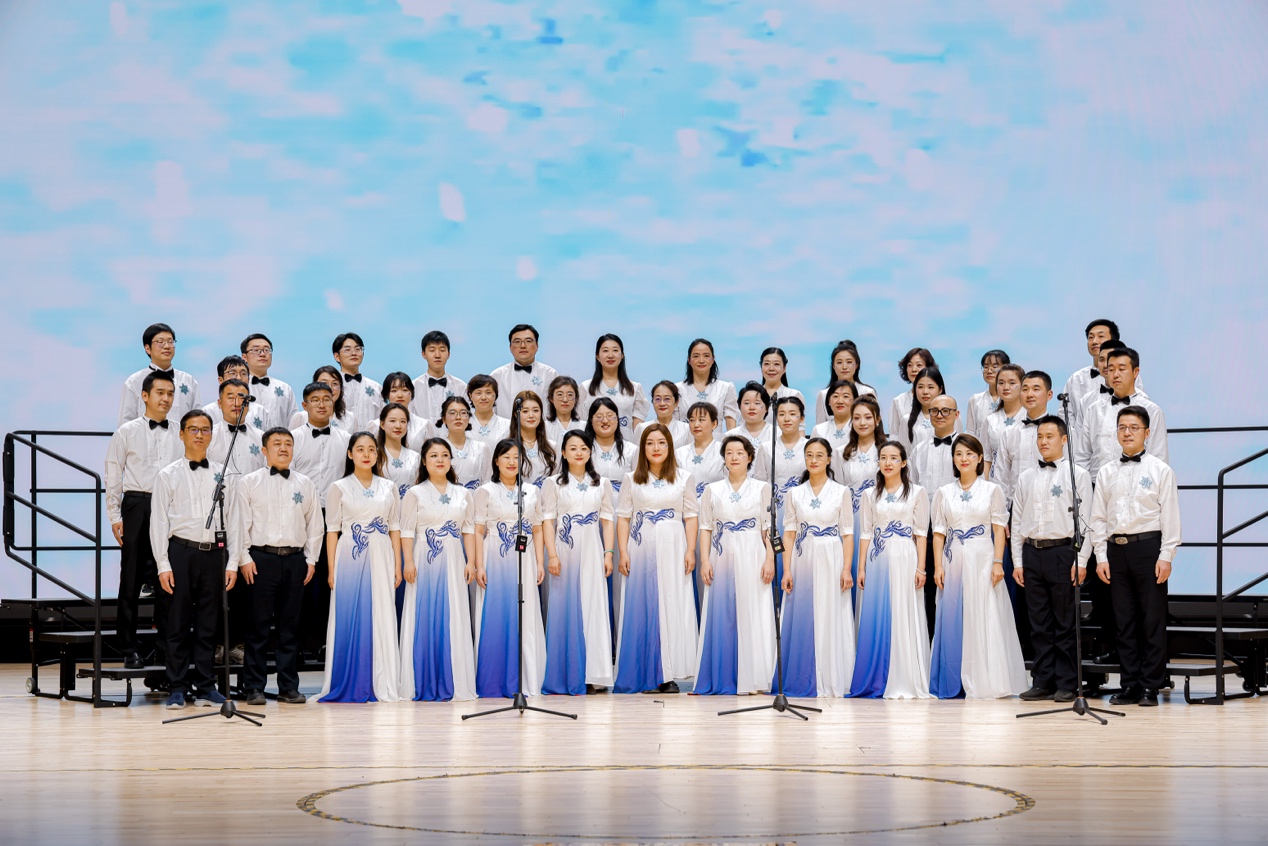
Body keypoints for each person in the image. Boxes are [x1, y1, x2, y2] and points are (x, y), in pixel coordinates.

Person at [1090, 406, 1181, 707]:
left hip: (1148, 548)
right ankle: (1129, 684)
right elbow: (1098, 517)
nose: (1127, 433)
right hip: (1115, 550)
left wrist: (1166, 555)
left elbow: (1170, 516)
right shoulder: (1106, 472)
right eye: (1122, 427)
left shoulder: (1160, 470)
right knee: (1123, 620)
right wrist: (1100, 556)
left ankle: (1151, 686)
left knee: (1151, 620)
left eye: (1133, 427)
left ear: (1147, 432)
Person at [151, 410, 238, 710]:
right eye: (193, 429)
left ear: (212, 435)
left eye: (205, 429)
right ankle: (177, 686)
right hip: (181, 552)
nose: (199, 435)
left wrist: (232, 562)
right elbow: (158, 523)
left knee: (208, 623)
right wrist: (163, 564)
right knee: (176, 622)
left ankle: (205, 686)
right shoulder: (167, 475)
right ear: (182, 434)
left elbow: (234, 519)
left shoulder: (224, 474)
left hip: (214, 554)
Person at [930, 435, 1027, 699]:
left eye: (970, 454)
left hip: (983, 557)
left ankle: (986, 678)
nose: (964, 459)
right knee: (953, 615)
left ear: (980, 458)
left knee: (983, 612)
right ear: (953, 459)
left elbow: (999, 529)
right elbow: (938, 533)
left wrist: (998, 562)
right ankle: (953, 678)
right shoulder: (943, 492)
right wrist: (938, 566)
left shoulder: (992, 490)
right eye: (959, 454)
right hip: (953, 558)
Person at [232, 428, 323, 706]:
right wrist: (244, 558)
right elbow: (239, 523)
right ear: (264, 450)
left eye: (288, 444)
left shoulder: (305, 483)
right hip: (261, 560)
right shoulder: (249, 482)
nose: (283, 448)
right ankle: (254, 687)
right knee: (258, 627)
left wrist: (311, 559)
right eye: (277, 444)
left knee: (290, 627)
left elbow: (315, 524)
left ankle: (288, 686)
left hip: (295, 560)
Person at [104, 371, 183, 669]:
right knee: (132, 578)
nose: (166, 398)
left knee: (168, 577)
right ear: (145, 396)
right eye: (160, 392)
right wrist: (114, 515)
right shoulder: (127, 431)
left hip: (171, 506)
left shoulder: (180, 432)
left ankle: (165, 646)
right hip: (137, 504)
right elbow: (113, 472)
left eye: (170, 393)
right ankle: (128, 647)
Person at [1011, 416, 1092, 703]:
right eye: (1040, 437)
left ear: (1064, 439)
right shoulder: (1026, 477)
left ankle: (1067, 682)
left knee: (1065, 620)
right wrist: (1018, 561)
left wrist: (1082, 560)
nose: (1043, 442)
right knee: (1039, 622)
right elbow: (1017, 521)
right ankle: (1042, 680)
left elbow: (1087, 522)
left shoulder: (1077, 475)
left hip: (1063, 552)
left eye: (1049, 436)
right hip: (1032, 552)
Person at [614, 424, 699, 694]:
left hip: (673, 546)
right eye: (650, 443)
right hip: (641, 546)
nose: (656, 448)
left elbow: (691, 517)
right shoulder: (632, 479)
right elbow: (623, 518)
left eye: (661, 442)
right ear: (643, 448)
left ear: (670, 446)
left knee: (671, 603)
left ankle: (669, 674)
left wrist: (690, 550)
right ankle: (643, 672)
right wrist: (623, 551)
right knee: (643, 605)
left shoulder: (684, 477)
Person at [319, 432, 403, 703]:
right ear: (350, 454)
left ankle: (383, 680)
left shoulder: (389, 487)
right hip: (350, 555)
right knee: (350, 613)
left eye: (371, 449)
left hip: (382, 552)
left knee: (382, 612)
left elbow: (395, 527)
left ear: (378, 454)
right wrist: (331, 569)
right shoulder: (339, 487)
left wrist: (398, 564)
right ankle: (349, 679)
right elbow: (332, 531)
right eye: (360, 449)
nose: (366, 454)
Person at [695, 436, 776, 695]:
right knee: (723, 614)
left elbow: (769, 528)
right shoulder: (712, 490)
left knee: (754, 613)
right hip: (721, 555)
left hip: (753, 554)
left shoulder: (762, 488)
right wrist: (705, 560)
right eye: (729, 452)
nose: (734, 457)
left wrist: (770, 558)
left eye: (740, 452)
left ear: (750, 457)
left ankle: (755, 678)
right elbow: (705, 527)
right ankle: (724, 675)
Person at [399, 438, 478, 702]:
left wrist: (471, 561)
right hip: (424, 558)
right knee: (424, 614)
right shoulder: (415, 493)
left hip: (454, 558)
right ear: (424, 461)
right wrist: (408, 561)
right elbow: (406, 531)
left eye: (445, 455)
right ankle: (422, 679)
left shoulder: (463, 493)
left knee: (453, 614)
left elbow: (468, 530)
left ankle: (453, 680)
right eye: (434, 455)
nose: (440, 460)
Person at [850, 442, 931, 699]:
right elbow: (865, 533)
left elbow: (921, 534)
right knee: (878, 613)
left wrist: (921, 568)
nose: (888, 462)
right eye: (883, 457)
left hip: (906, 556)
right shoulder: (869, 494)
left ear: (904, 463)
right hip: (877, 557)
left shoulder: (917, 492)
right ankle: (877, 676)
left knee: (904, 611)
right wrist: (861, 567)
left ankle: (906, 676)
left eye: (894, 458)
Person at [540, 431, 616, 694]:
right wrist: (552, 554)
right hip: (565, 549)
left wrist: (608, 553)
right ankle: (568, 674)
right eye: (572, 448)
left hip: (593, 550)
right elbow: (548, 521)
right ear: (563, 453)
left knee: (594, 607)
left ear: (590, 452)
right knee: (565, 608)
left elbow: (607, 520)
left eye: (584, 448)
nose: (579, 452)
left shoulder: (602, 483)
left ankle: (594, 675)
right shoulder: (553, 484)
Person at [779, 438, 855, 698]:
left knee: (831, 612)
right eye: (809, 455)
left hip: (832, 556)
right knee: (804, 613)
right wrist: (786, 569)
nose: (813, 460)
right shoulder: (794, 493)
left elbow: (847, 534)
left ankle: (832, 677)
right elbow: (789, 534)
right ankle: (804, 676)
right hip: (803, 557)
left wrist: (846, 568)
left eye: (819, 455)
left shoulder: (841, 492)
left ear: (829, 459)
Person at [473, 439, 548, 698]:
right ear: (496, 461)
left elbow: (537, 528)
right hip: (494, 555)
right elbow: (478, 530)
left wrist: (540, 562)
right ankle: (493, 680)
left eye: (516, 457)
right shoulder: (485, 491)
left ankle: (526, 680)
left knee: (525, 614)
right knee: (496, 614)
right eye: (506, 457)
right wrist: (479, 565)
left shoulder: (532, 491)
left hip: (525, 558)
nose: (511, 462)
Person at [289, 382, 352, 659]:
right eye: (315, 400)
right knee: (301, 578)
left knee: (330, 578)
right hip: (300, 515)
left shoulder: (346, 439)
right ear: (305, 405)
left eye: (327, 399)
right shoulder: (292, 439)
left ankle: (328, 641)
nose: (322, 404)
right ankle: (303, 642)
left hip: (335, 517)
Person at [1079, 347, 1168, 481]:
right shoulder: (1094, 410)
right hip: (1097, 484)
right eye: (1111, 369)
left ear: (1135, 372)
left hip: (1138, 485)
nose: (1115, 375)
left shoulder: (1152, 410)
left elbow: (1159, 457)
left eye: (1121, 369)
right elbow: (1082, 455)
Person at [909, 394, 959, 633]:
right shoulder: (919, 449)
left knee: (954, 582)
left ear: (956, 414)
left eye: (946, 410)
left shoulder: (966, 448)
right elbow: (912, 488)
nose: (940, 415)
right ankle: (929, 638)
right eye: (934, 411)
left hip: (957, 525)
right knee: (927, 583)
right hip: (926, 527)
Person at [841, 396, 888, 604]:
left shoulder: (886, 451)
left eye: (868, 417)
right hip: (850, 520)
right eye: (857, 418)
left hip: (878, 520)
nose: (862, 422)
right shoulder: (841, 453)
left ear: (877, 420)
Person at [119, 323, 200, 426]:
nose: (167, 346)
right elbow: (125, 424)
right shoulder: (134, 382)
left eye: (170, 342)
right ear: (147, 348)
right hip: (144, 436)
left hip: (179, 436)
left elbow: (198, 419)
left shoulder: (188, 380)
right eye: (160, 342)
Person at [994, 370, 1053, 506]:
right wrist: (1001, 511)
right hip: (1016, 506)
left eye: (1036, 389)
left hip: (1050, 505)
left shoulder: (1063, 432)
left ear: (1049, 395)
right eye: (1025, 389)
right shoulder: (1009, 433)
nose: (1029, 394)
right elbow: (1001, 476)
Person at [580, 333, 649, 441]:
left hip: (626, 446)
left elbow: (638, 430)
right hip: (593, 446)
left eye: (615, 350)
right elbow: (581, 424)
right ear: (597, 356)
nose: (610, 355)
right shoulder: (586, 387)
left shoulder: (634, 388)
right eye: (605, 351)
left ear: (622, 355)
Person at [491, 324, 558, 418]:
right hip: (506, 427)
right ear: (510, 347)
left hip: (543, 427)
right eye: (517, 342)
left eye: (528, 341)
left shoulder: (550, 374)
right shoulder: (497, 376)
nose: (523, 346)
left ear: (537, 345)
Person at [674, 338, 738, 434]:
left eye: (706, 356)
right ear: (689, 360)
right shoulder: (677, 389)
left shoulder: (725, 388)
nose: (701, 360)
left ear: (713, 359)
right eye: (696, 356)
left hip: (716, 442)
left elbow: (731, 424)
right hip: (685, 442)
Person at [207, 379, 265, 480]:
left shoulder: (262, 438)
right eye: (231, 398)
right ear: (219, 403)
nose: (237, 404)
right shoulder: (208, 437)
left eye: (242, 398)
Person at [240, 333, 298, 432]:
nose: (262, 354)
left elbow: (294, 423)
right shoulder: (239, 388)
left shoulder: (284, 388)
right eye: (256, 350)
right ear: (244, 357)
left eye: (266, 350)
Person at [813, 340, 876, 428]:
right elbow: (820, 428)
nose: (844, 367)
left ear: (856, 365)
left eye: (849, 362)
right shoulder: (824, 394)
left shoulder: (867, 392)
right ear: (833, 366)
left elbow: (874, 426)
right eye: (839, 362)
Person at [410, 330, 467, 426]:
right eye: (432, 350)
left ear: (448, 354)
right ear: (423, 354)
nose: (437, 355)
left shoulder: (461, 387)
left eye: (442, 350)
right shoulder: (412, 388)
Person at [981, 363, 1025, 477]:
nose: (1006, 387)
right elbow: (986, 458)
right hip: (996, 482)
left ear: (1023, 386)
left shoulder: (1029, 417)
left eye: (1012, 383)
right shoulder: (990, 420)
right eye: (1001, 383)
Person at [437, 396, 490, 491]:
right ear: (444, 419)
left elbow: (488, 482)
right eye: (452, 413)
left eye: (463, 413)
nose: (458, 417)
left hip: (476, 499)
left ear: (469, 418)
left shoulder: (481, 448)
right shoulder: (436, 449)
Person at [508, 390, 557, 491]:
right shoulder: (508, 447)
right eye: (525, 411)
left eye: (535, 410)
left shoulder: (552, 447)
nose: (531, 415)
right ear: (516, 414)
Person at [332, 333, 383, 428]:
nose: (354, 353)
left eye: (358, 349)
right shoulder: (331, 387)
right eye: (347, 349)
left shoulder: (376, 387)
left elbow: (383, 418)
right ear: (337, 356)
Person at [810, 380, 858, 479]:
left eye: (845, 396)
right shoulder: (819, 430)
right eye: (835, 396)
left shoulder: (860, 428)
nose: (840, 401)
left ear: (854, 401)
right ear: (828, 401)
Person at [887, 347, 935, 446]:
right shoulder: (898, 401)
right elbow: (894, 435)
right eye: (909, 365)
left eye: (919, 365)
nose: (914, 369)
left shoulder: (939, 400)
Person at [375, 402, 421, 500]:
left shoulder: (415, 457)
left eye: (403, 421)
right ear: (382, 424)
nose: (398, 426)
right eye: (392, 421)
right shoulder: (374, 455)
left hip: (409, 507)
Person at [291, 366, 358, 432]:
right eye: (324, 383)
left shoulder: (351, 419)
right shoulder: (302, 417)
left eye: (335, 383)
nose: (330, 388)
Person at [898, 366, 946, 454]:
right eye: (920, 387)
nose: (925, 392)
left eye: (930, 387)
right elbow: (903, 454)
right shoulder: (906, 420)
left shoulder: (951, 417)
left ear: (940, 390)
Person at [199, 356, 256, 428]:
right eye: (233, 373)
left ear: (248, 379)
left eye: (243, 373)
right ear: (220, 380)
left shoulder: (260, 411)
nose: (239, 378)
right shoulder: (208, 412)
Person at [965, 350, 1009, 439]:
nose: (989, 371)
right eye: (985, 367)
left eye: (995, 366)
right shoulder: (975, 400)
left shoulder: (1012, 399)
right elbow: (970, 432)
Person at [757, 347, 806, 427]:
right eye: (766, 364)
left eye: (776, 364)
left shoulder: (794, 395)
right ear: (761, 367)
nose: (771, 368)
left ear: (784, 368)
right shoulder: (753, 395)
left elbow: (800, 428)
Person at [377, 372, 431, 444]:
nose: (400, 395)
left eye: (405, 390)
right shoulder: (376, 425)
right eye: (394, 391)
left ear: (411, 393)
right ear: (387, 395)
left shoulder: (423, 425)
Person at [636, 381, 692, 450]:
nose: (662, 403)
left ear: (676, 403)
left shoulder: (687, 429)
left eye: (667, 399)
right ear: (652, 402)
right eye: (657, 399)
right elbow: (638, 455)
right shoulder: (642, 428)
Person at [466, 374, 511, 449]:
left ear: (495, 395)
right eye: (479, 393)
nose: (483, 397)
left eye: (488, 393)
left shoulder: (508, 425)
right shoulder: (463, 424)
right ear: (471, 396)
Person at [726, 381, 773, 451]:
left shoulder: (778, 434)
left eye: (757, 403)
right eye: (747, 403)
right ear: (739, 406)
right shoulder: (730, 436)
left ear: (767, 408)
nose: (752, 407)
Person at [545, 375, 583, 445]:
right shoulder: (544, 427)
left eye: (570, 395)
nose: (565, 400)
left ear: (576, 399)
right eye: (560, 395)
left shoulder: (584, 426)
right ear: (551, 398)